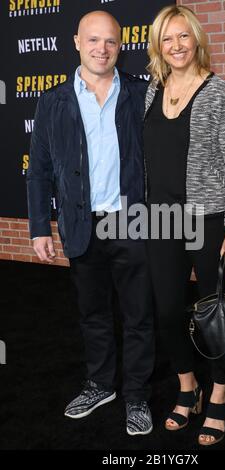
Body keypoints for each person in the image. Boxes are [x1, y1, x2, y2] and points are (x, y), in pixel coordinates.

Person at [27, 10, 155, 436]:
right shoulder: (53, 100)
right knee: (93, 313)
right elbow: (40, 170)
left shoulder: (140, 94)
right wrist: (40, 227)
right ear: (77, 42)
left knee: (139, 315)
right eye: (94, 40)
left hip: (131, 221)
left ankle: (136, 395)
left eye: (111, 42)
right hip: (82, 225)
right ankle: (101, 384)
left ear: (121, 47)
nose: (102, 49)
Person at [144, 5, 225, 446]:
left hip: (209, 221)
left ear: (197, 39)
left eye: (183, 36)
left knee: (214, 315)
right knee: (167, 311)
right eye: (167, 39)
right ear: (158, 46)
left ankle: (220, 392)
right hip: (161, 221)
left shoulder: (220, 92)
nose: (176, 46)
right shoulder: (153, 89)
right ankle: (189, 388)